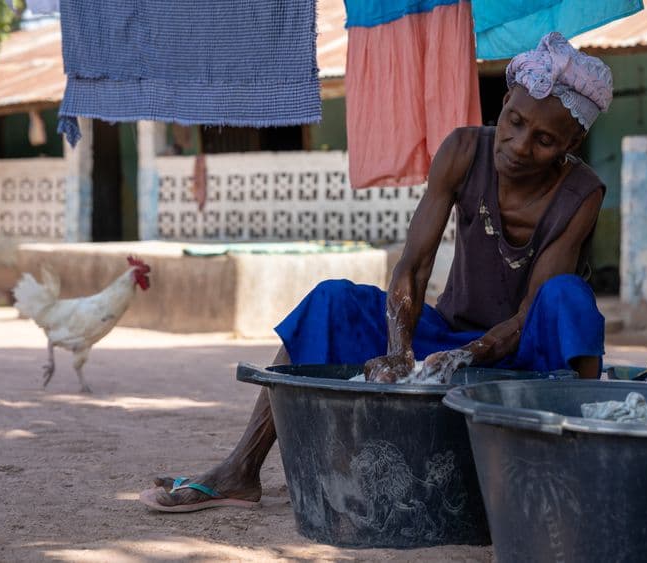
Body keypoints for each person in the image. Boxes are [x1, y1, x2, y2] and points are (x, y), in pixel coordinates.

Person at [139, 31, 614, 512]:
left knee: (570, 298)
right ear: (506, 101)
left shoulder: (582, 193)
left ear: (572, 143)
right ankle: (242, 469)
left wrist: (467, 356)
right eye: (515, 122)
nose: (520, 145)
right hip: (444, 337)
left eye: (544, 140)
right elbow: (414, 265)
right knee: (331, 302)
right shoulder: (464, 150)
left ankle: (585, 475)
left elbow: (534, 309)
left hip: (521, 358)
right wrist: (400, 351)